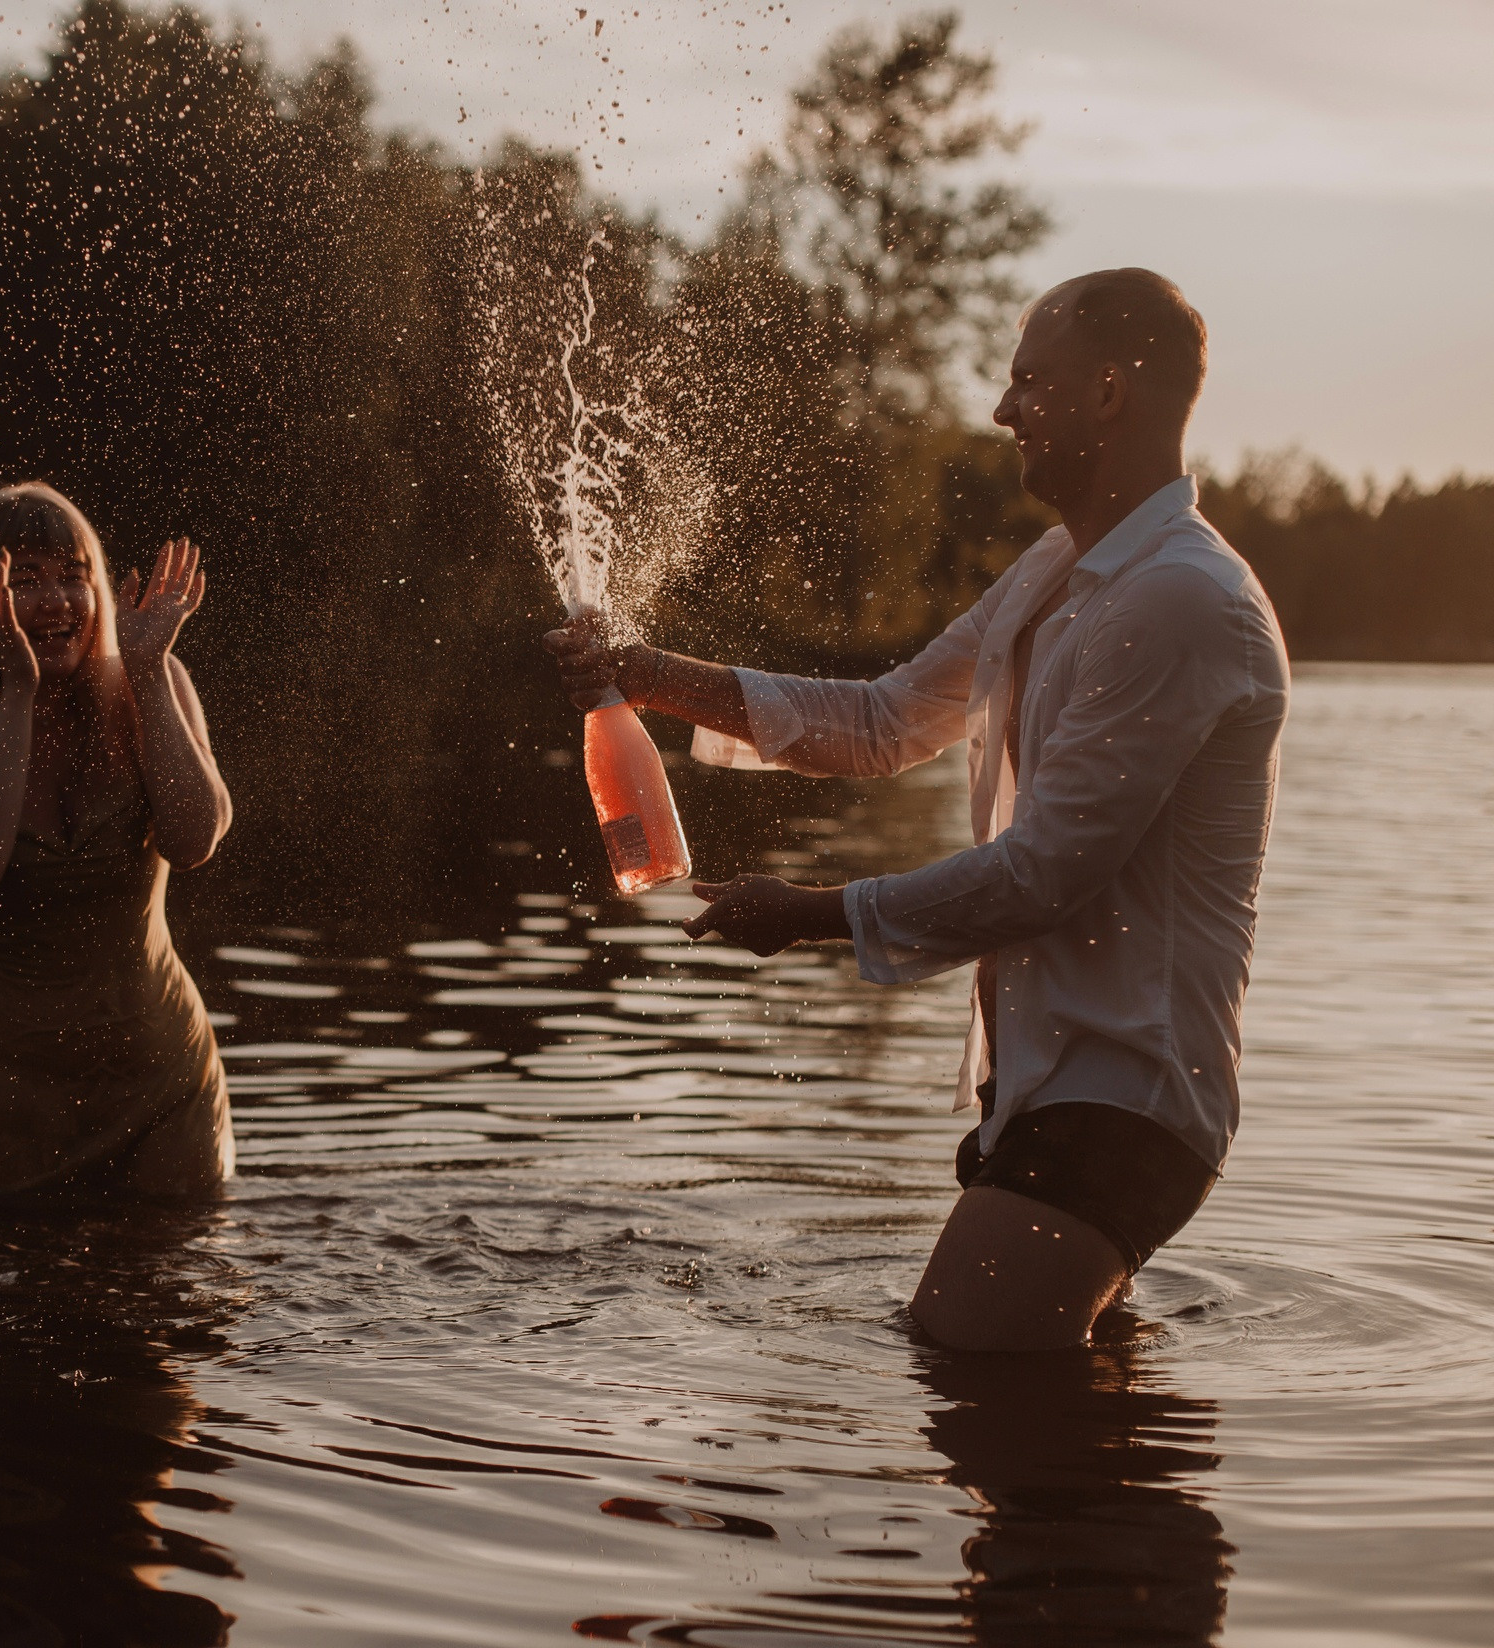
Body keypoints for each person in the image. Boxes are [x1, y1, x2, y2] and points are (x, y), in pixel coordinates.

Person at [545, 269, 1289, 1352]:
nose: (1001, 411)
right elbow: (887, 719)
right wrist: (643, 673)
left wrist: (808, 914)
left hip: (1127, 1091)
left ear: (1111, 393)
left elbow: (1044, 872)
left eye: (1029, 381)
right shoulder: (1055, 571)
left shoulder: (1182, 599)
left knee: (955, 1363)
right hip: (1047, 1083)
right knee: (1039, 1428)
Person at [0, 484, 234, 1207]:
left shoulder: (151, 681)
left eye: (73, 575)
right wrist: (17, 696)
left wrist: (145, 670)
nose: (57, 601)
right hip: (10, 1100)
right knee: (6, 1307)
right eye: (25, 579)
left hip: (165, 1085)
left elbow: (195, 839)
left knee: (180, 1303)